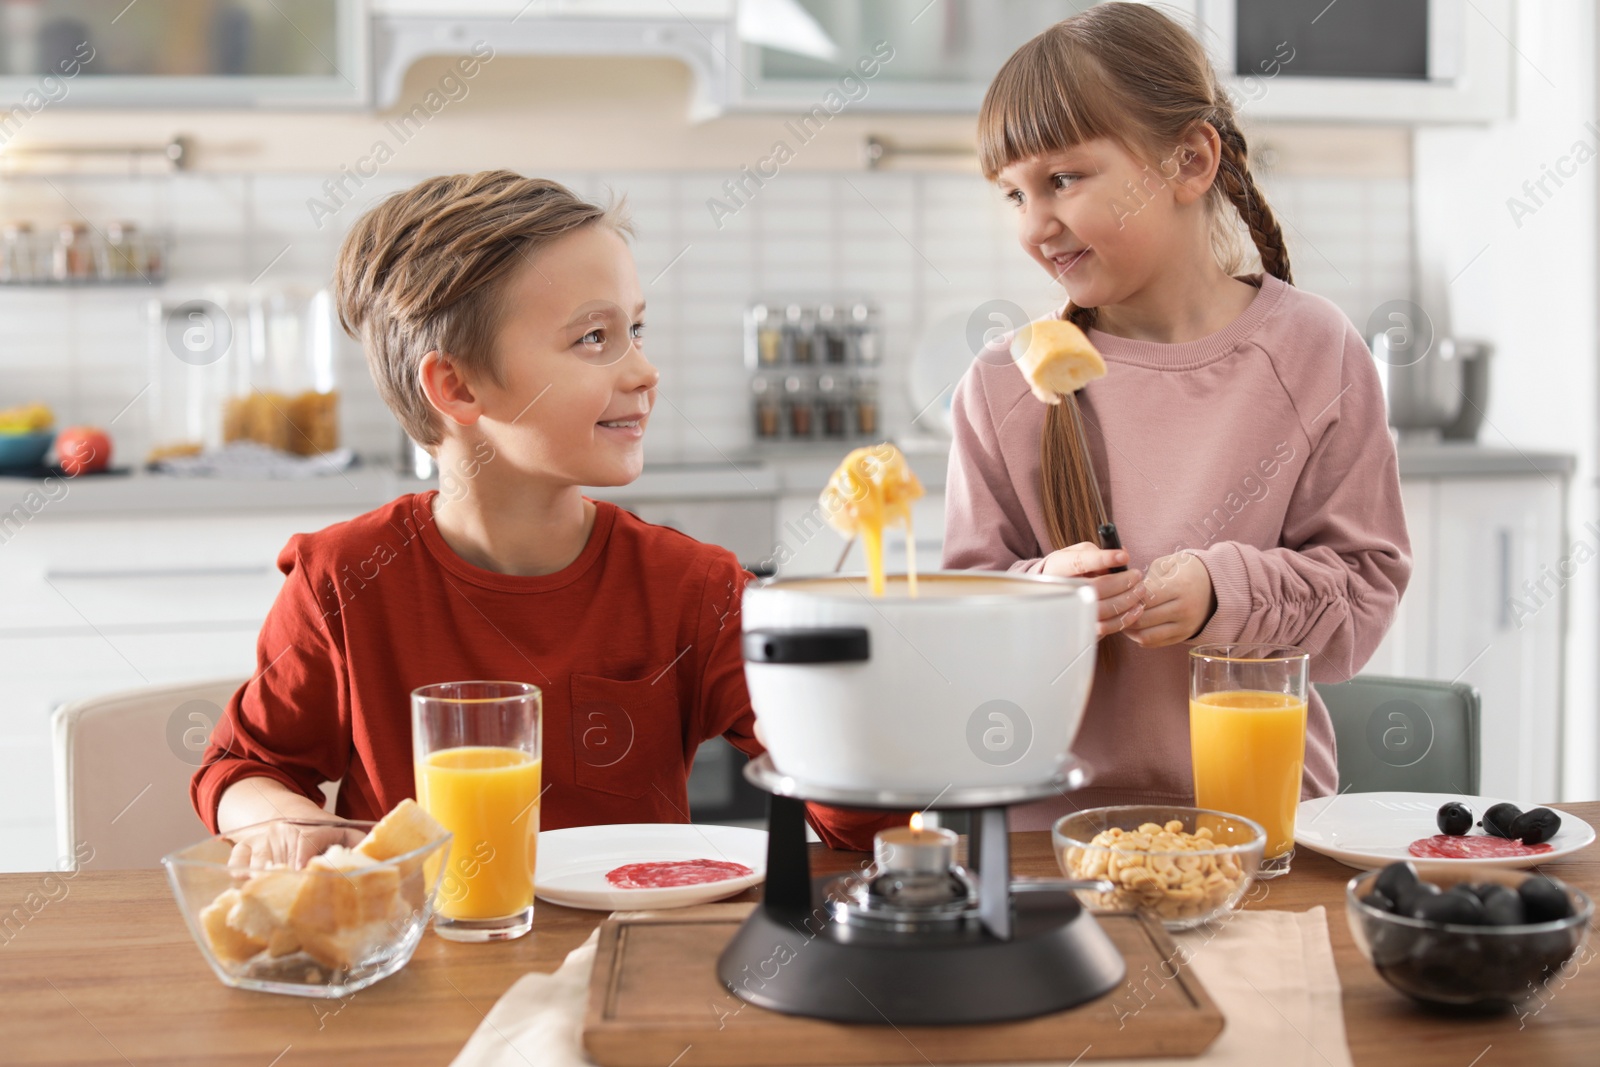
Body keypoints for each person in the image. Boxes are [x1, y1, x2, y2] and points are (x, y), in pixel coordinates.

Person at [192, 171, 894, 864]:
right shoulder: (342, 581)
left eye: (636, 330)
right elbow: (244, 766)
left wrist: (831, 734)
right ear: (458, 385)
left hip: (633, 955)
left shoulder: (694, 587)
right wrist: (286, 823)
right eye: (594, 337)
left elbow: (864, 829)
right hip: (422, 961)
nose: (645, 371)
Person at [943, 4, 1412, 828]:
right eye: (1013, 193)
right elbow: (957, 627)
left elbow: (1363, 601)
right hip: (1046, 841)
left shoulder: (1315, 350)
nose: (1034, 225)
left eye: (1063, 180)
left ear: (1190, 160)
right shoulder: (1000, 386)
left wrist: (1223, 593)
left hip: (1263, 826)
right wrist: (1042, 600)